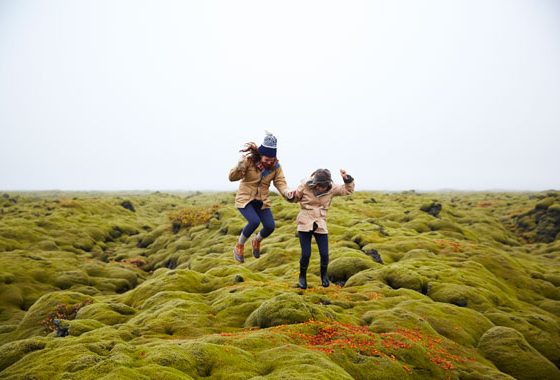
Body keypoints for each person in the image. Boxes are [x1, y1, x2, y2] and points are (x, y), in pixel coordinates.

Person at [228, 132, 291, 263]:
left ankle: (256, 240)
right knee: (254, 222)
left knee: (270, 226)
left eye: (271, 160)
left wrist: (286, 192)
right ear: (260, 155)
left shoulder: (276, 167)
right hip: (245, 199)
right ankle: (239, 246)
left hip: (262, 201)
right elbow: (232, 178)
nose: (269, 162)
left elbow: (280, 182)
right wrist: (238, 167)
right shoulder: (248, 161)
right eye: (266, 159)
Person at [288, 168, 355, 288]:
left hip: (320, 222)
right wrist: (289, 195)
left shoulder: (332, 188)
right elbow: (295, 198)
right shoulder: (305, 185)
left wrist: (347, 179)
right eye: (317, 185)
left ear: (327, 185)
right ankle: (302, 276)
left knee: (324, 254)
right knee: (306, 254)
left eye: (321, 186)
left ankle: (324, 275)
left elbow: (347, 190)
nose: (318, 188)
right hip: (305, 222)